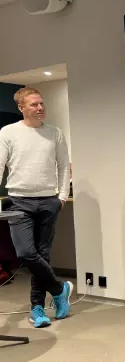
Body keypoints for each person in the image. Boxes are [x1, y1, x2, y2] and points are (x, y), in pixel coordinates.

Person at [0, 87, 72, 328]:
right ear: (21, 107)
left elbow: (64, 166)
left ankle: (37, 308)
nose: (40, 108)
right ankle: (59, 289)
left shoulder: (55, 133)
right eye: (34, 104)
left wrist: (62, 197)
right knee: (25, 253)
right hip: (19, 201)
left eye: (41, 103)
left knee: (43, 255)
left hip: (49, 200)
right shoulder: (8, 132)